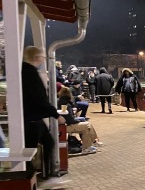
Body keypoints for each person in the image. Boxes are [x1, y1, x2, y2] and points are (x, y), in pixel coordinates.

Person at [21, 46, 66, 176]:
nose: (44, 58)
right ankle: (32, 177)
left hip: (32, 118)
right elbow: (39, 99)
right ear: (36, 57)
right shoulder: (30, 73)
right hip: (33, 120)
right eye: (42, 56)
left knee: (47, 143)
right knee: (32, 150)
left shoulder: (25, 71)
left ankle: (45, 173)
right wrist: (56, 114)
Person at [57, 86, 99, 154]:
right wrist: (78, 120)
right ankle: (93, 142)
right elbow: (70, 120)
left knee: (86, 127)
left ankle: (88, 146)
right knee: (87, 125)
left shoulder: (59, 101)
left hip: (62, 124)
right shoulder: (67, 104)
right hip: (67, 125)